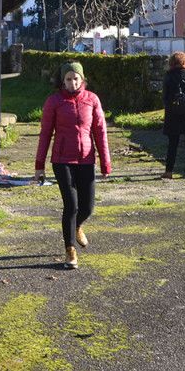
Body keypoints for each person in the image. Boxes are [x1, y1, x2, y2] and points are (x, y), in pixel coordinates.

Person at [34, 61, 112, 270]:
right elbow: (45, 134)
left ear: (82, 79)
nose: (72, 83)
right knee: (71, 204)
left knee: (88, 207)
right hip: (62, 160)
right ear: (63, 81)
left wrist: (106, 162)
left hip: (86, 159)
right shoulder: (54, 101)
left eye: (75, 78)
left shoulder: (92, 100)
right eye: (68, 79)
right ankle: (70, 249)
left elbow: (100, 132)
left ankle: (76, 226)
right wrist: (39, 165)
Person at [162, 51, 185, 179]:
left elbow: (165, 97)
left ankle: (169, 171)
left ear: (172, 62)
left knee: (173, 143)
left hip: (173, 112)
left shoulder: (169, 76)